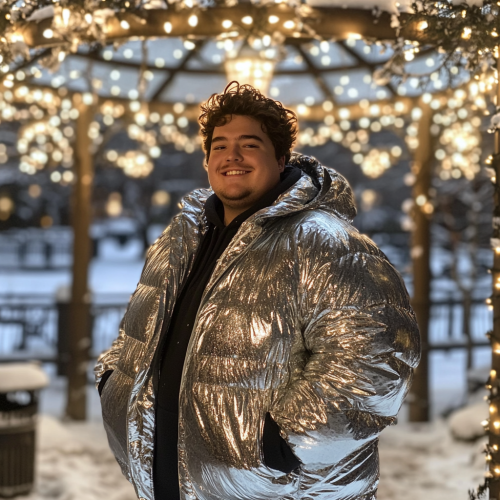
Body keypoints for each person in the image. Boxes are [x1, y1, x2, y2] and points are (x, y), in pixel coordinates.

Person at [95, 81, 420, 500]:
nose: (231, 156)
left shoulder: (324, 242)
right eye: (219, 145)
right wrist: (111, 384)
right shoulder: (180, 239)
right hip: (166, 482)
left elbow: (378, 356)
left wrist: (283, 441)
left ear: (281, 157)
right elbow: (136, 331)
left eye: (249, 144)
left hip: (278, 488)